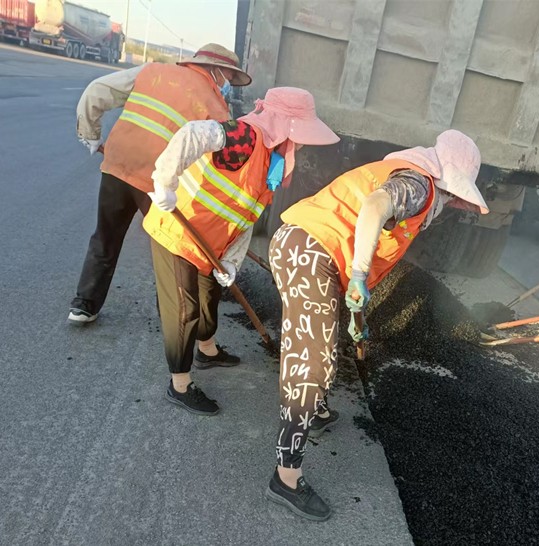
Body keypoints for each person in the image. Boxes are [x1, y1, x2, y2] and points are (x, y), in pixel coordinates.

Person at [265, 130, 489, 521]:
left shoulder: (408, 175)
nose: (452, 204)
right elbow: (373, 207)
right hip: (309, 250)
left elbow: (362, 241)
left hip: (309, 248)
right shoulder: (418, 185)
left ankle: (314, 413)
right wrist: (357, 276)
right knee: (310, 362)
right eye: (454, 196)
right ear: (448, 182)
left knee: (323, 343)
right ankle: (285, 478)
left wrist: (356, 314)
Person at [142, 87, 339, 417]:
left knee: (209, 298)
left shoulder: (271, 162)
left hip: (210, 245)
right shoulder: (245, 136)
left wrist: (231, 260)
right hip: (177, 230)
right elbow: (193, 133)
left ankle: (206, 350)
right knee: (185, 309)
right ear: (283, 124)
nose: (302, 144)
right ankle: (179, 384)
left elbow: (245, 216)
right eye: (300, 134)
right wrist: (164, 183)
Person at [69, 44, 250, 324]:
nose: (227, 84)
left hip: (117, 166)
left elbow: (97, 90)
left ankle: (84, 306)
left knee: (105, 237)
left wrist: (91, 136)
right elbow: (219, 163)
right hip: (158, 183)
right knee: (170, 249)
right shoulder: (216, 106)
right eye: (227, 76)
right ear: (216, 70)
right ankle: (173, 318)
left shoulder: (152, 72)